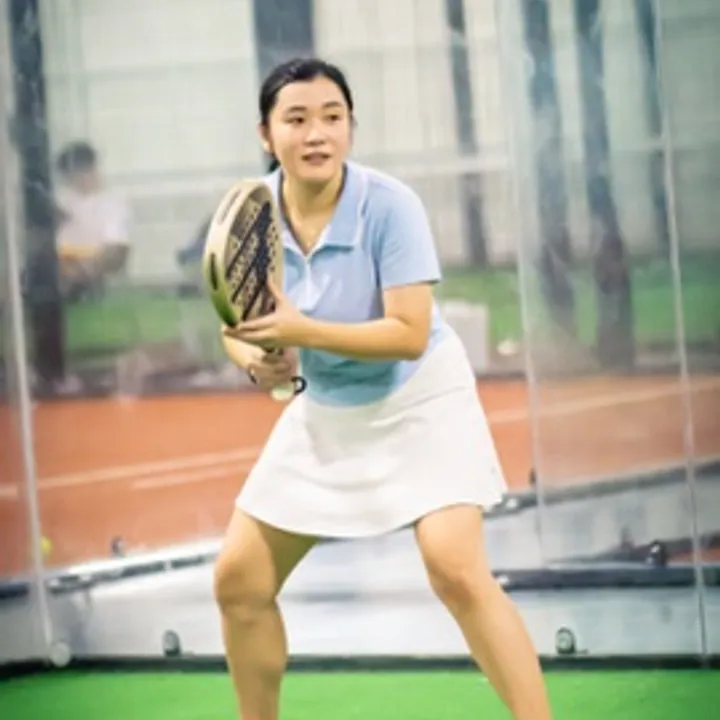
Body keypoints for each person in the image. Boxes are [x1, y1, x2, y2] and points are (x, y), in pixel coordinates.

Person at [215, 57, 553, 720]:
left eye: (332, 117)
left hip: (421, 396)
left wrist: (300, 330)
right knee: (238, 581)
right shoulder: (251, 216)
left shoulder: (391, 205)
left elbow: (407, 333)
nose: (317, 133)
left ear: (351, 126)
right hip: (327, 408)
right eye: (297, 119)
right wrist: (258, 361)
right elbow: (237, 325)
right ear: (266, 135)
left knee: (455, 568)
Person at [54, 141, 132, 301]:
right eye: (71, 176)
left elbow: (116, 248)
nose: (78, 179)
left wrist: (86, 268)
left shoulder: (113, 203)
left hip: (91, 265)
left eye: (82, 172)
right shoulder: (62, 200)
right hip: (59, 263)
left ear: (92, 169)